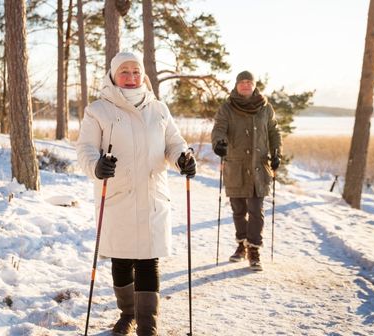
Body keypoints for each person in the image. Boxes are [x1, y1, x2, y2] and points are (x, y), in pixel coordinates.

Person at [76, 51, 195, 335]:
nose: (131, 77)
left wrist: (183, 157)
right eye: (124, 72)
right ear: (113, 75)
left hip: (153, 195)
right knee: (121, 258)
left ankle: (147, 325)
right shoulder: (98, 110)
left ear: (143, 75)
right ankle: (127, 313)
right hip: (118, 196)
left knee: (148, 259)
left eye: (136, 71)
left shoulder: (159, 109)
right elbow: (85, 149)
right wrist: (97, 165)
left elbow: (174, 143)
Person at [211, 70, 282, 272]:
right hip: (236, 166)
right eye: (241, 82)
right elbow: (219, 128)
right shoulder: (227, 107)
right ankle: (241, 244)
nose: (245, 85)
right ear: (236, 85)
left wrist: (277, 153)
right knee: (239, 210)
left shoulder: (265, 107)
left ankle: (254, 249)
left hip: (259, 167)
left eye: (248, 82)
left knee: (256, 211)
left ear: (254, 85)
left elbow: (274, 131)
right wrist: (219, 143)